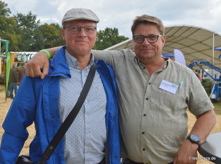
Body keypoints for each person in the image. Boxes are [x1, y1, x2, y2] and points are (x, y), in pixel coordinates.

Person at [25, 14, 217, 164]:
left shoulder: (184, 75)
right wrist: (43, 53)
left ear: (163, 40)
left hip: (172, 161)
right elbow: (80, 50)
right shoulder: (120, 60)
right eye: (139, 38)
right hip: (129, 161)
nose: (145, 43)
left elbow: (208, 114)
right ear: (133, 40)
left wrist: (192, 141)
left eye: (152, 37)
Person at [0, 8, 120, 164]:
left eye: (89, 29)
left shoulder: (107, 73)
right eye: (74, 28)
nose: (82, 34)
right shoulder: (41, 74)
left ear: (96, 34)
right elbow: (15, 128)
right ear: (63, 33)